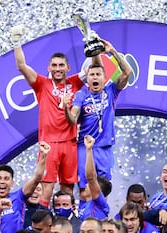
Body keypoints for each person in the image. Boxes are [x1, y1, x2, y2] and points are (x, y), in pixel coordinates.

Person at [10, 24, 103, 207]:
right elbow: (21, 65)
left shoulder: (75, 82)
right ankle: (45, 221)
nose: (58, 68)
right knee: (47, 189)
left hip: (70, 143)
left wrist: (91, 41)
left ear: (68, 67)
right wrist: (16, 42)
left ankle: (65, 223)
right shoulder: (41, 84)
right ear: (49, 67)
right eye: (54, 65)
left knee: (67, 190)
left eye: (61, 65)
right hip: (49, 145)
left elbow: (96, 66)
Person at [64, 39, 131, 200]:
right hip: (85, 147)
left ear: (104, 77)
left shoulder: (111, 91)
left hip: (104, 148)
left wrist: (112, 51)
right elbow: (73, 119)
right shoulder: (81, 95)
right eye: (91, 74)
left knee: (103, 188)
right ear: (87, 78)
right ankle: (85, 220)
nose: (95, 77)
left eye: (98, 74)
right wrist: (66, 109)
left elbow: (127, 72)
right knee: (84, 188)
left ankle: (100, 220)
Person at [0, 141, 49, 233]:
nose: (2, 181)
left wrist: (43, 156)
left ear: (12, 183)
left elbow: (37, 178)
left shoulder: (18, 196)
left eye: (6, 178)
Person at [78, 135, 111, 221]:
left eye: (89, 185)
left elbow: (91, 178)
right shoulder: (84, 204)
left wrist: (89, 150)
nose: (85, 185)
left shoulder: (99, 204)